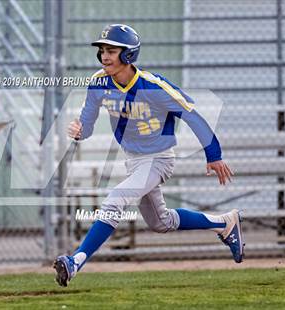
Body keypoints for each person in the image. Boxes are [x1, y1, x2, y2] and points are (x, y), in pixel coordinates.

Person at [53, 24, 243, 287]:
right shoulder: (98, 82)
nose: (104, 56)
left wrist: (214, 154)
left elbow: (192, 115)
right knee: (160, 222)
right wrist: (79, 131)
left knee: (115, 199)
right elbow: (87, 125)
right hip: (133, 160)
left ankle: (75, 262)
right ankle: (224, 223)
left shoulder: (153, 86)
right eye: (102, 51)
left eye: (112, 51)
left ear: (129, 55)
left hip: (159, 159)